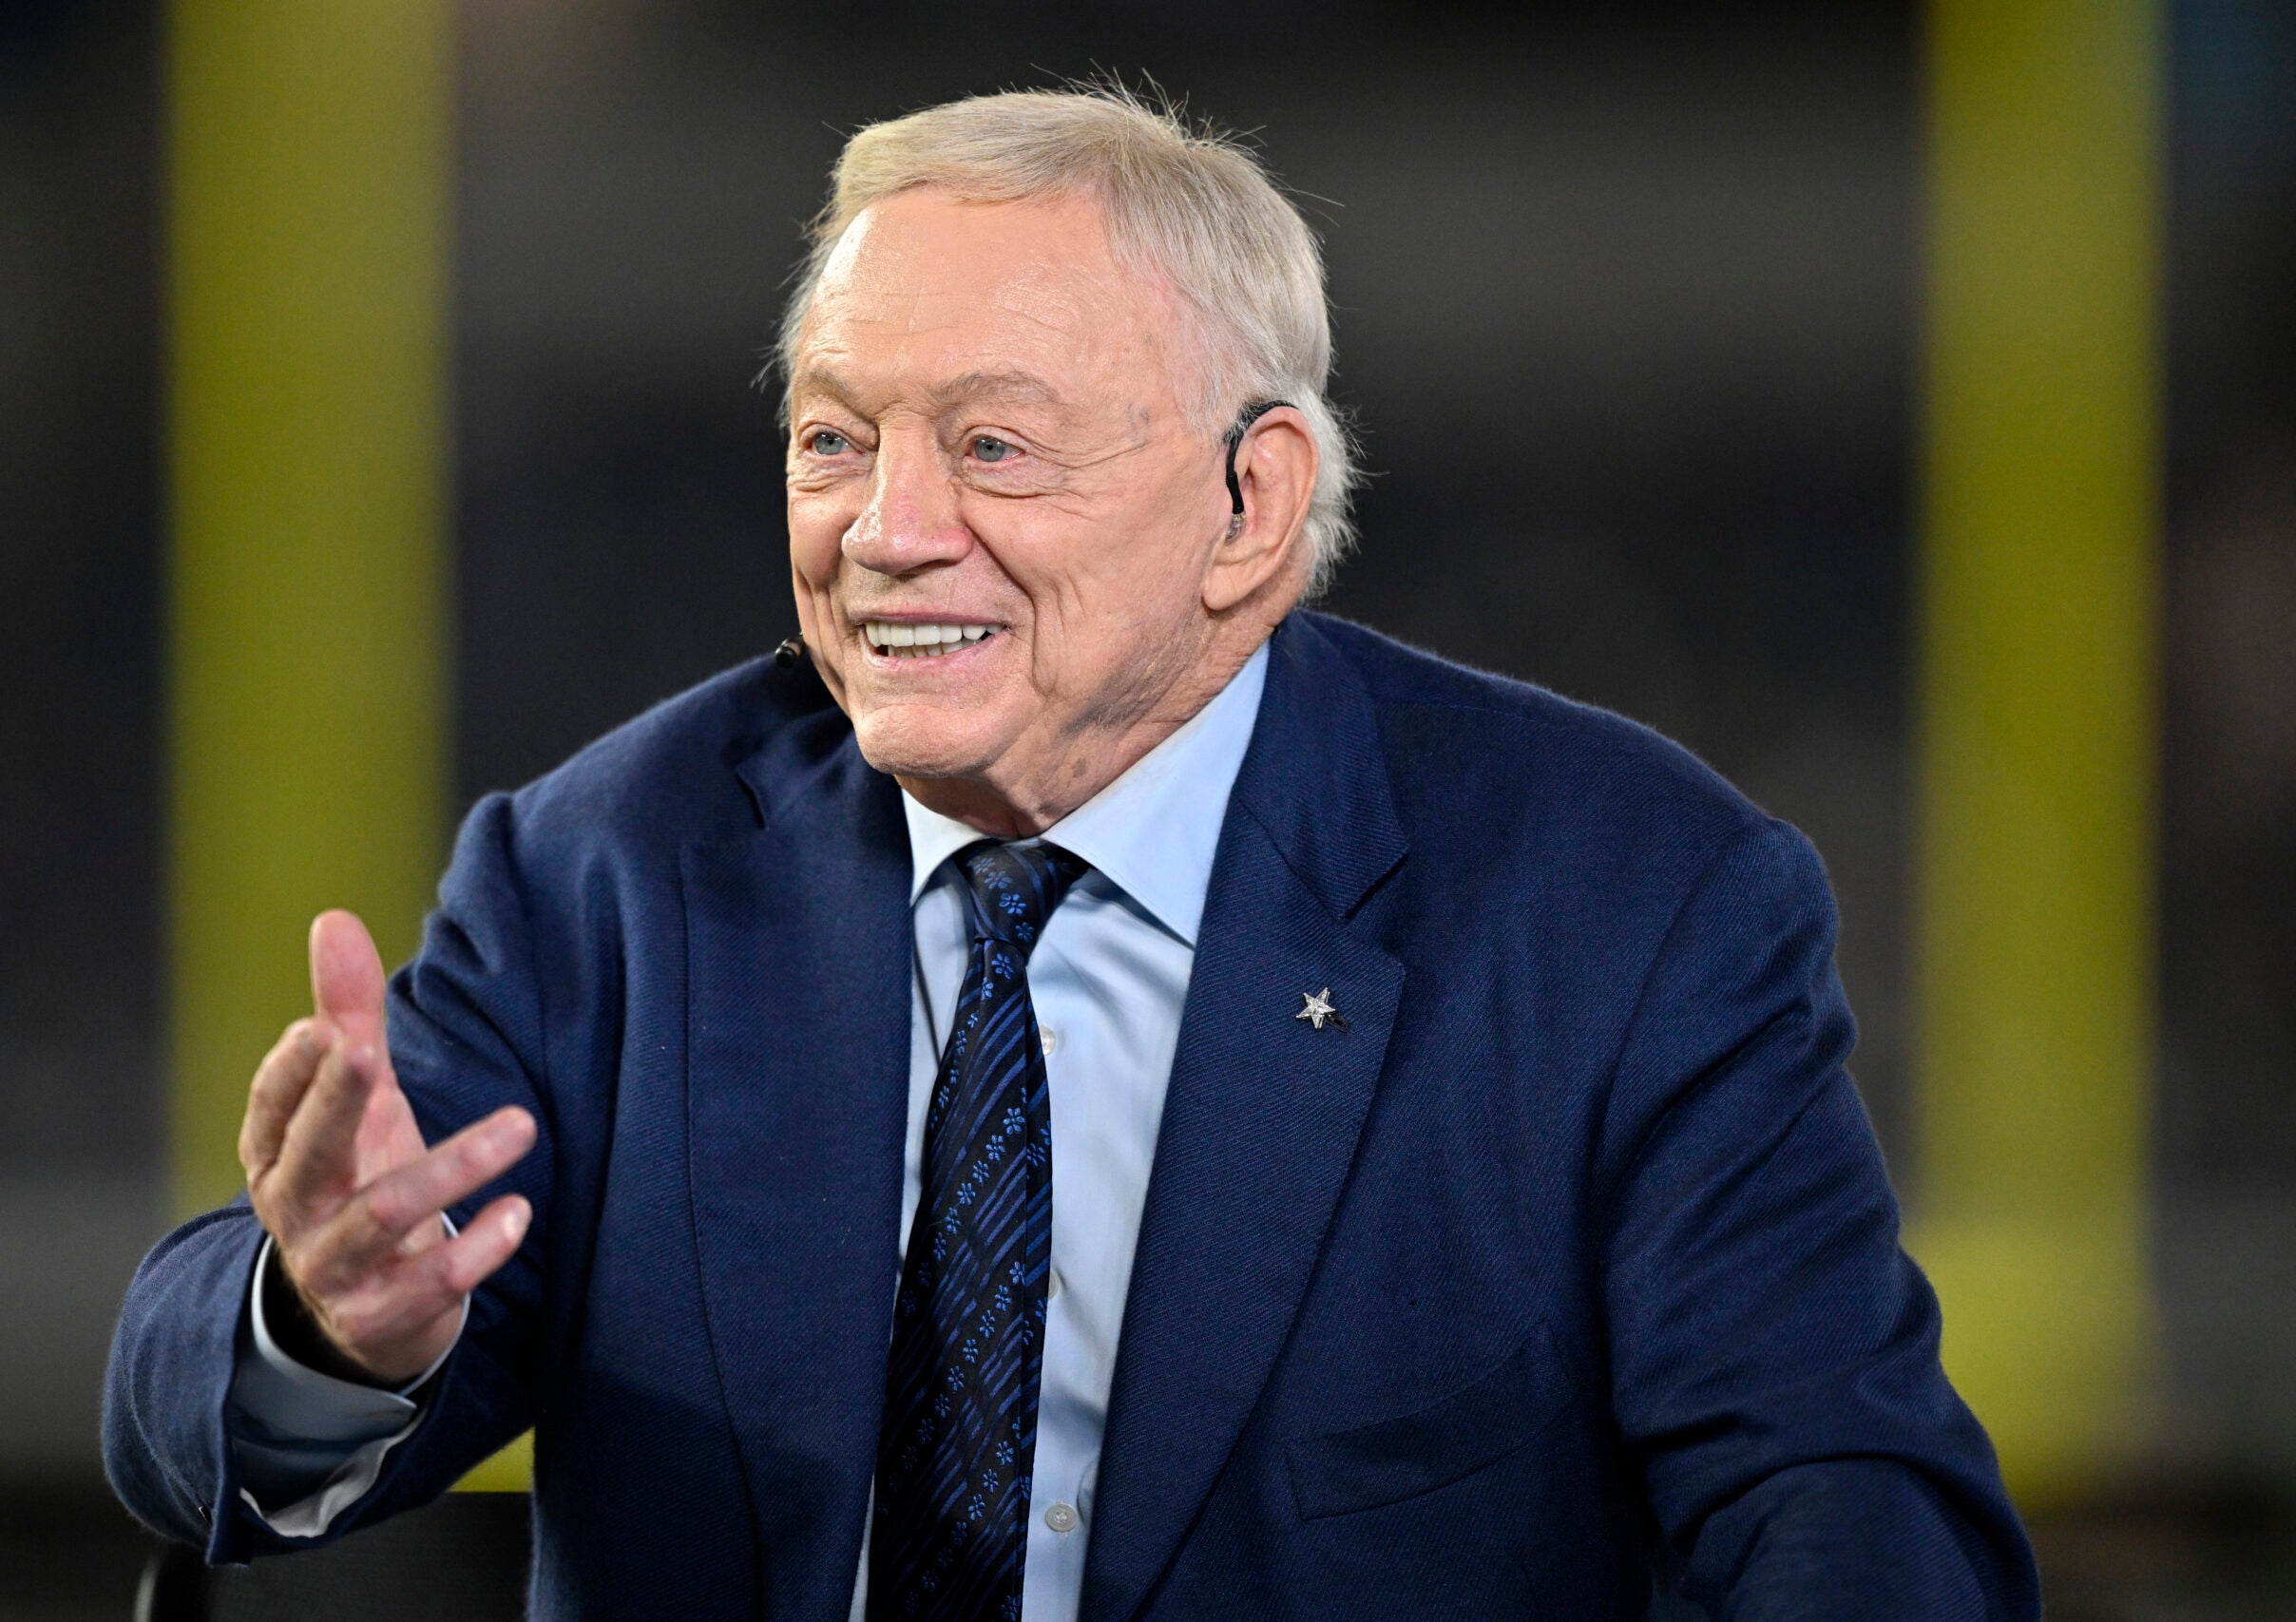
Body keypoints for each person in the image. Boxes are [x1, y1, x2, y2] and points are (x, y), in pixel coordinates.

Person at [105, 86, 2037, 1620]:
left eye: (993, 448)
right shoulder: (610, 871)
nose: (883, 528)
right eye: (833, 440)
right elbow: (181, 1413)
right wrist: (319, 1319)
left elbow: (1843, 1501)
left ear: (1244, 505)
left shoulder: (1620, 906)